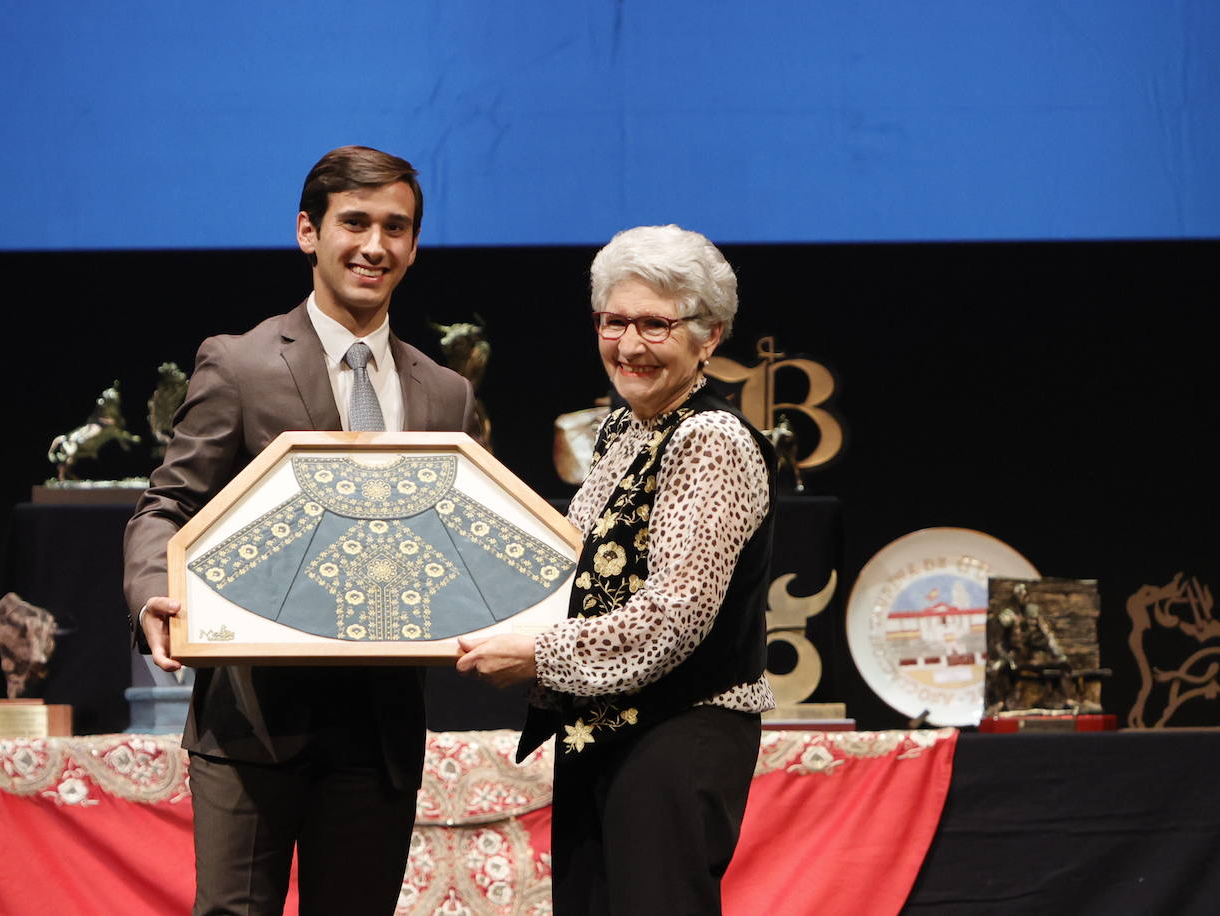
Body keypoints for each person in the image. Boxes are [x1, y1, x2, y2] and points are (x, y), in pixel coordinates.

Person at [123, 145, 479, 916]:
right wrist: (156, 592)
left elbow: (456, 544)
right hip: (249, 718)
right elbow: (168, 506)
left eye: (397, 227)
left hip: (380, 729)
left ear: (415, 246)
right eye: (354, 222)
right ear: (307, 232)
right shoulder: (240, 364)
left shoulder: (446, 395)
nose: (375, 246)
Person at [457, 224, 776, 915]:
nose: (629, 346)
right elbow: (573, 579)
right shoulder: (623, 431)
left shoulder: (709, 439)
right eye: (614, 321)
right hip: (606, 731)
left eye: (656, 325)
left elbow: (673, 616)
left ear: (710, 336)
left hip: (677, 737)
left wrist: (539, 653)